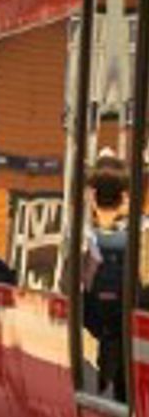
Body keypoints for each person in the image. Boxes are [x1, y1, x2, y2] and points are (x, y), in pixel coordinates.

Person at [84, 156, 130, 399]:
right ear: (124, 197)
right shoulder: (140, 235)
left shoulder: (85, 237)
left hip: (98, 339)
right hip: (127, 341)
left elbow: (83, 284)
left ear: (92, 195)